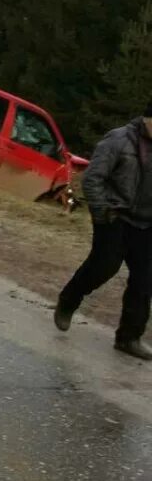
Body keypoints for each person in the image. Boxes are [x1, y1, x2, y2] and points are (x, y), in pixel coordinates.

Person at [54, 101, 152, 360]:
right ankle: (69, 300)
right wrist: (102, 213)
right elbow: (93, 177)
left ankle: (129, 337)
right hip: (114, 214)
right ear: (147, 119)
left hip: (145, 223)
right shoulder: (119, 139)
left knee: (144, 280)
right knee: (104, 266)